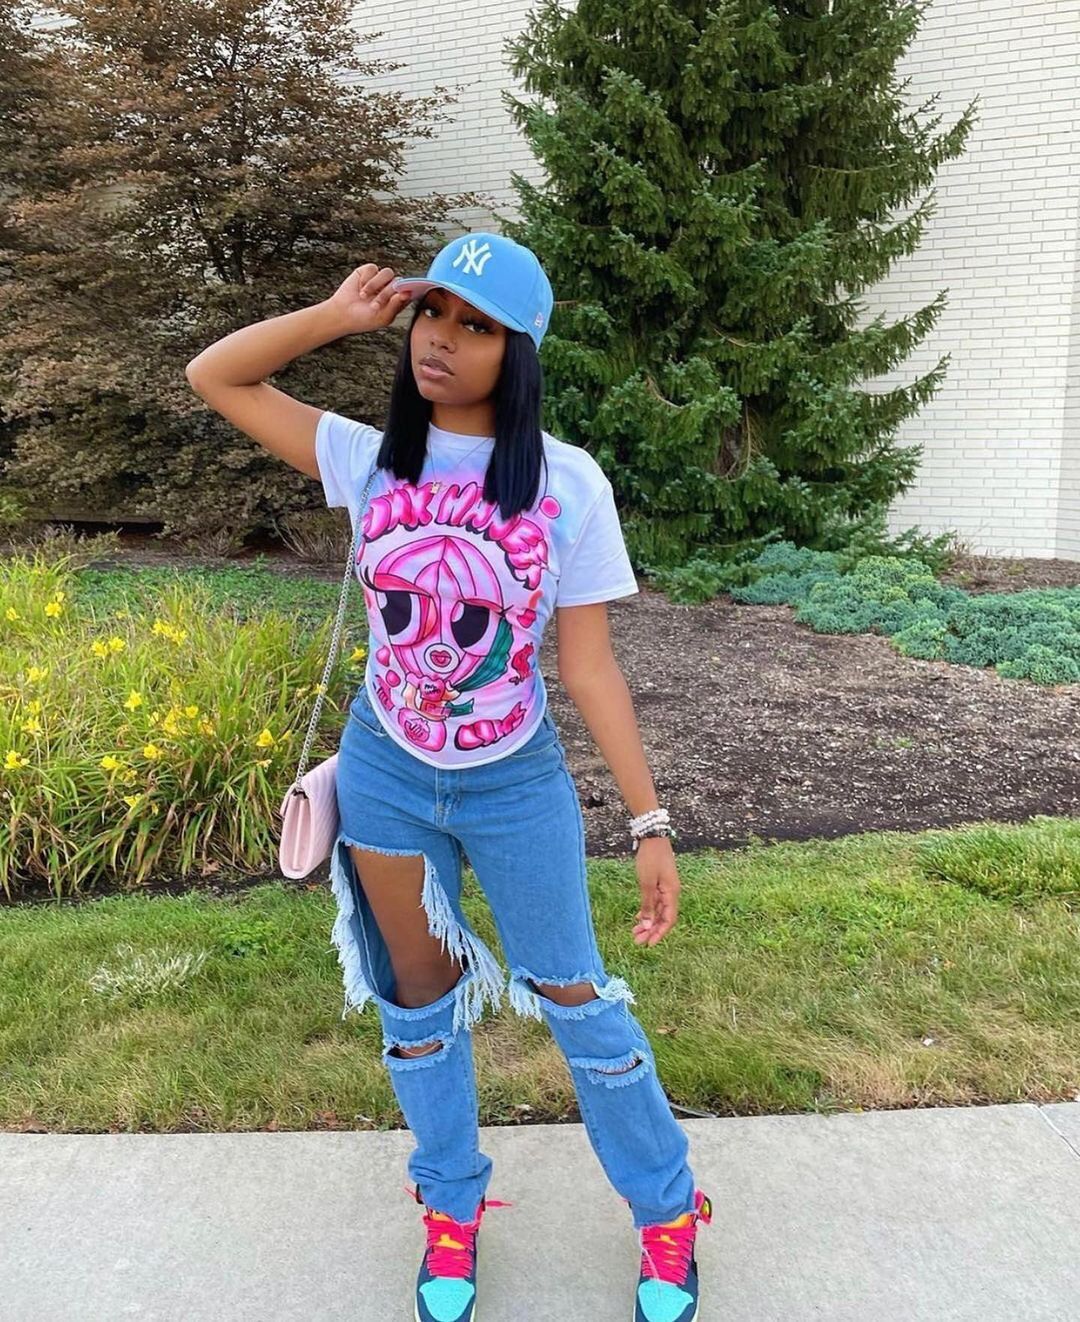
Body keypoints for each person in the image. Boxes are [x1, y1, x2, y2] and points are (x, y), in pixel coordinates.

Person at [185, 230, 712, 1322]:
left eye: (476, 326)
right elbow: (216, 375)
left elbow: (589, 667)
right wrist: (339, 316)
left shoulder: (569, 483)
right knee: (418, 1002)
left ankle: (666, 1209)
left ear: (520, 352)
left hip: (514, 781)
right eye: (432, 312)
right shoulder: (369, 456)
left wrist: (649, 820)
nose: (441, 338)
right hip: (386, 773)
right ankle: (450, 1205)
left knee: (575, 997)